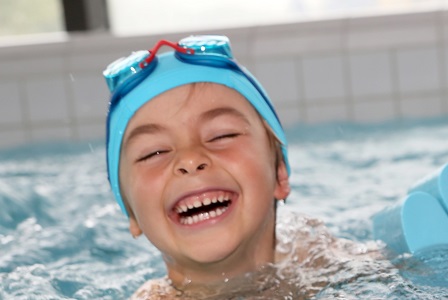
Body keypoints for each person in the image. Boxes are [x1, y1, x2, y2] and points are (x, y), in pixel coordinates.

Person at [103, 35, 377, 298]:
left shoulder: (320, 254)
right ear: (132, 214)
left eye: (222, 136)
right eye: (155, 152)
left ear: (279, 173)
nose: (190, 160)